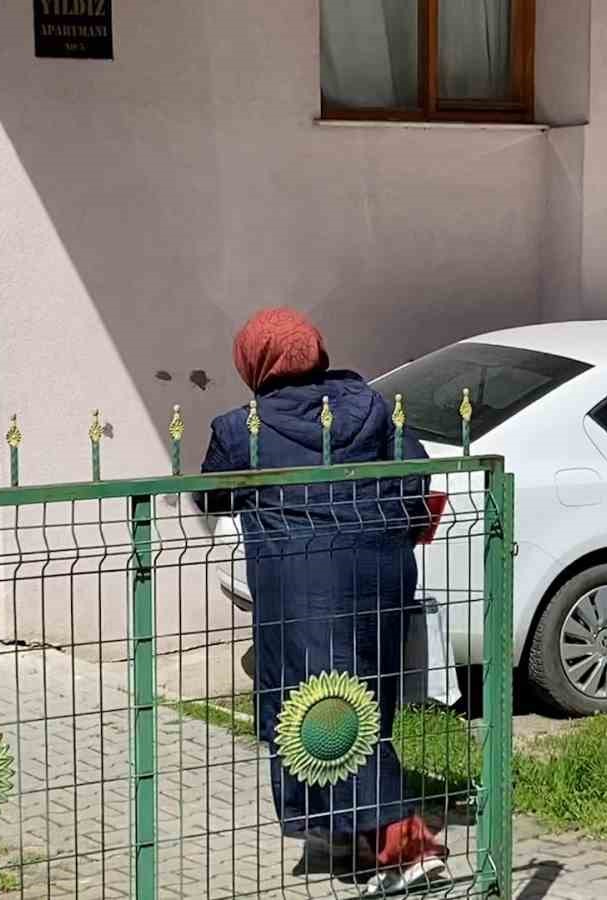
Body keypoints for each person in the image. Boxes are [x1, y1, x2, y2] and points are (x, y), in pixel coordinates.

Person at [197, 308, 448, 890]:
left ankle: (407, 849)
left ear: (253, 363)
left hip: (302, 583)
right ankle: (348, 837)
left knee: (328, 709)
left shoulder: (242, 429)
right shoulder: (374, 406)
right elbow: (417, 479)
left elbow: (209, 499)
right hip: (381, 573)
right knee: (365, 696)